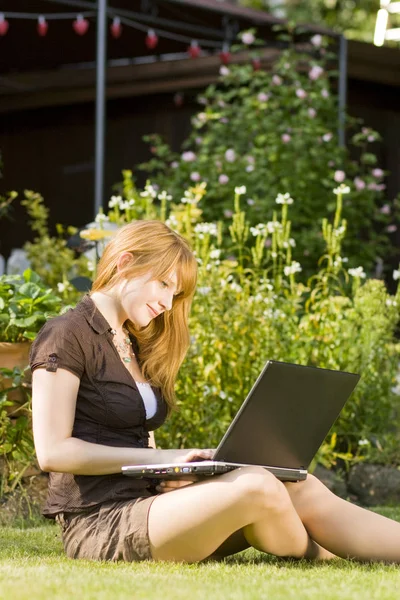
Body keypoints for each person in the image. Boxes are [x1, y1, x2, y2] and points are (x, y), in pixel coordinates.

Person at [31, 219, 400, 564]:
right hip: (100, 519)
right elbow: (53, 451)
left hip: (155, 502)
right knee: (258, 486)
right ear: (125, 263)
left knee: (297, 482)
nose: (167, 304)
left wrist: (174, 473)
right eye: (164, 284)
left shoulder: (135, 342)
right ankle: (325, 556)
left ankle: (359, 549)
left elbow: (141, 439)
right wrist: (162, 461)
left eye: (174, 294)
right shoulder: (66, 333)